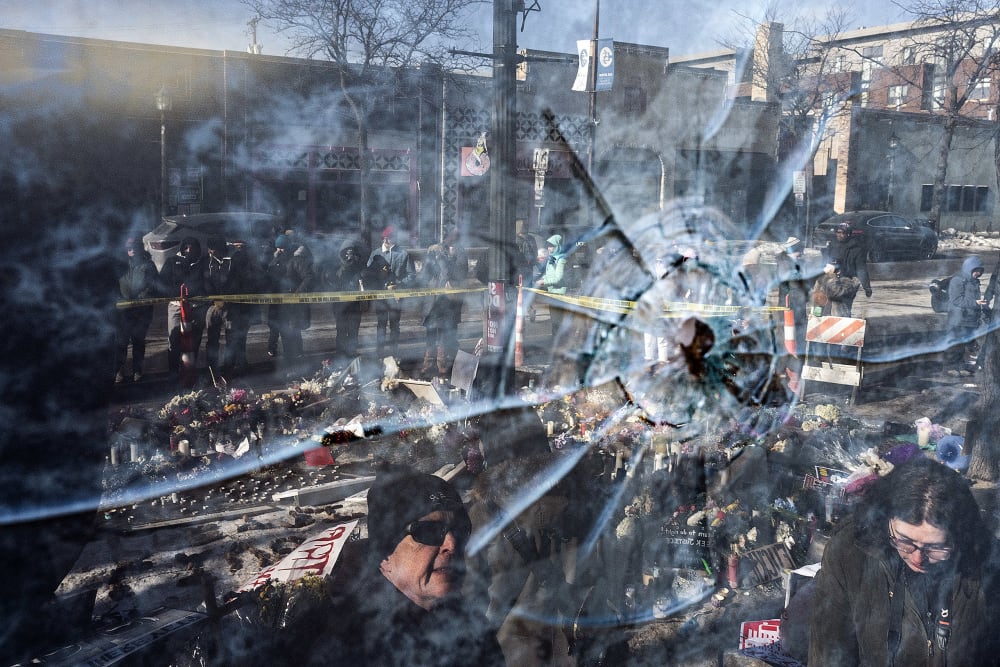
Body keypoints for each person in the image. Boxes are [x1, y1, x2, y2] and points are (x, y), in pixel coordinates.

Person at [171, 464, 503, 666]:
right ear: (384, 553)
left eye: (460, 529)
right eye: (429, 531)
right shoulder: (339, 640)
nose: (451, 544)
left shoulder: (466, 619)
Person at [808, 456, 1000, 665]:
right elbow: (828, 649)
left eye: (936, 547)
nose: (919, 557)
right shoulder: (851, 550)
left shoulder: (987, 563)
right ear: (886, 520)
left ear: (960, 535)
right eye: (905, 541)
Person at [204, 237, 261, 375]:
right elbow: (205, 281)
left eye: (213, 249)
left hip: (231, 307)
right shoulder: (207, 262)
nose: (210, 251)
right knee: (212, 337)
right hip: (212, 306)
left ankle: (229, 366)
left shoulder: (233, 261)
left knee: (232, 337)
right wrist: (212, 299)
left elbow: (238, 282)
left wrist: (227, 298)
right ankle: (212, 367)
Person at [159, 236, 207, 381]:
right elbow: (162, 282)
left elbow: (208, 282)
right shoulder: (172, 262)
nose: (188, 251)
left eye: (192, 249)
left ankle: (189, 371)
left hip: (197, 307)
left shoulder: (202, 263)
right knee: (174, 340)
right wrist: (173, 292)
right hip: (176, 306)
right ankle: (173, 372)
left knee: (195, 340)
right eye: (186, 247)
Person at [266, 233, 315, 363]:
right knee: (283, 331)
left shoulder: (296, 260)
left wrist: (297, 294)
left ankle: (298, 357)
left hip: (292, 304)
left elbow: (309, 277)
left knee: (294, 330)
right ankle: (289, 358)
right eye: (278, 248)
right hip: (279, 303)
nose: (280, 250)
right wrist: (274, 260)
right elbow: (269, 277)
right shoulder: (276, 261)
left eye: (282, 247)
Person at [114, 237, 157, 383]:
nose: (130, 250)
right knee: (121, 341)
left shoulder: (148, 265)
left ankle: (137, 370)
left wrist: (139, 300)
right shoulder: (121, 265)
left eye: (133, 247)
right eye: (128, 248)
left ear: (139, 248)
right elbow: (113, 284)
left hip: (142, 310)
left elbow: (153, 286)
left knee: (138, 340)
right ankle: (119, 370)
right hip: (123, 311)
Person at [367, 225, 414, 360]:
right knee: (381, 324)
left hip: (396, 296)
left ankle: (394, 353)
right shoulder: (375, 254)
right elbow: (368, 274)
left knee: (394, 325)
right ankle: (379, 354)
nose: (388, 241)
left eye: (392, 238)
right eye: (386, 238)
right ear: (383, 239)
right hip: (381, 295)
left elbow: (411, 275)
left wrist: (399, 284)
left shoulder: (404, 254)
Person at [945, 255, 988, 377]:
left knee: (964, 344)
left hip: (969, 318)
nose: (978, 273)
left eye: (980, 271)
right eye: (976, 270)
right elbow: (956, 299)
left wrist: (980, 306)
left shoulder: (974, 281)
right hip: (958, 319)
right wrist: (975, 303)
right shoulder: (958, 280)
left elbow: (973, 298)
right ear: (969, 268)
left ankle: (960, 366)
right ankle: (949, 367)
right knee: (955, 344)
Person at [417, 244, 455, 379]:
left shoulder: (446, 264)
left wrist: (441, 259)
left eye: (436, 253)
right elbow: (422, 279)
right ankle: (427, 365)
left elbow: (446, 275)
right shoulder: (429, 265)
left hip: (443, 306)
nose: (434, 255)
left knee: (442, 339)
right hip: (430, 306)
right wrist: (429, 261)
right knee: (430, 338)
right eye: (432, 253)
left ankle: (442, 367)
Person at [327, 237, 368, 360]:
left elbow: (366, 277)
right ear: (342, 253)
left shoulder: (359, 265)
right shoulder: (337, 265)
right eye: (347, 252)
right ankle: (340, 354)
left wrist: (357, 264)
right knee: (341, 331)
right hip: (340, 305)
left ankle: (352, 352)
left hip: (355, 305)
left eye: (351, 252)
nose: (349, 254)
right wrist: (346, 264)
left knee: (353, 330)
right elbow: (334, 279)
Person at [826, 223, 871, 315]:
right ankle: (834, 323)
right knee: (831, 307)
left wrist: (867, 287)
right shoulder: (833, 245)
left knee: (844, 307)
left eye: (842, 232)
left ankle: (843, 323)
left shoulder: (857, 249)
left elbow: (861, 269)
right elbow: (826, 262)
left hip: (849, 281)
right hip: (834, 279)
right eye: (837, 232)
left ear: (848, 234)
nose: (839, 234)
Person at [536, 234, 569, 337]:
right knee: (554, 323)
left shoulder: (561, 259)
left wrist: (543, 282)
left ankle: (559, 345)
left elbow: (558, 278)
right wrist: (542, 279)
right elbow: (549, 273)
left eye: (552, 246)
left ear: (558, 246)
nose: (549, 248)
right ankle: (556, 344)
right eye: (549, 246)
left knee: (557, 323)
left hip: (559, 295)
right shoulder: (552, 258)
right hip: (552, 293)